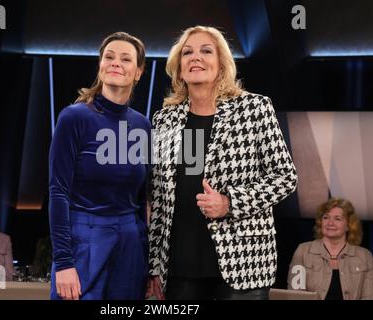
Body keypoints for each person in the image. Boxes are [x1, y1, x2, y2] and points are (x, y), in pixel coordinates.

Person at [147, 26, 298, 300]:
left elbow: (285, 177)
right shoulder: (164, 120)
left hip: (243, 263)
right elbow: (159, 200)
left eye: (206, 51)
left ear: (221, 64)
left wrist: (230, 203)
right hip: (180, 266)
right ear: (179, 67)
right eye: (187, 53)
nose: (196, 57)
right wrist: (155, 266)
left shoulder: (254, 109)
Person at [49, 31, 150, 300]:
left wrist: (149, 263)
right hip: (84, 240)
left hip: (130, 244)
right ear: (100, 65)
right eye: (109, 57)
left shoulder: (143, 125)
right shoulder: (74, 117)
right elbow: (58, 192)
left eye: (126, 59)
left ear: (138, 72)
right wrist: (64, 262)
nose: (116, 63)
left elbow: (142, 200)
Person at [287, 197, 373, 300]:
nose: (330, 223)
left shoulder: (364, 256)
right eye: (326, 217)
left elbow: (369, 297)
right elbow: (295, 295)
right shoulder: (303, 251)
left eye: (337, 218)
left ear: (349, 225)